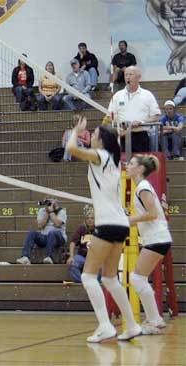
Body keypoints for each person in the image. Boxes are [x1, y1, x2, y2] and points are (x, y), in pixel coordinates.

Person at [67, 119, 141, 342]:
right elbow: (113, 138)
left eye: (95, 134)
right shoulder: (113, 160)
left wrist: (76, 131)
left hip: (108, 223)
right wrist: (118, 129)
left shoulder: (101, 156)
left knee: (88, 276)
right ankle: (132, 326)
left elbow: (71, 149)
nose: (92, 135)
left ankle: (105, 325)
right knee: (109, 278)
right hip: (120, 224)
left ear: (101, 141)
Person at [126, 155, 172, 334]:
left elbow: (152, 213)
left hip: (156, 238)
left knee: (137, 278)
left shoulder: (143, 187)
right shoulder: (142, 187)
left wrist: (130, 219)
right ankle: (155, 319)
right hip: (157, 238)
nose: (127, 166)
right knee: (139, 278)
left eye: (131, 164)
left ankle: (155, 319)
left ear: (140, 169)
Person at [108, 66, 161, 153]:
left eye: (131, 74)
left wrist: (141, 122)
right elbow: (110, 116)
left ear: (139, 77)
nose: (128, 77)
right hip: (123, 135)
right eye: (126, 75)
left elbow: (156, 116)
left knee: (141, 164)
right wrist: (119, 124)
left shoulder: (147, 95)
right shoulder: (117, 95)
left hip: (141, 135)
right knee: (124, 165)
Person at [16, 198, 67, 265]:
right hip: (45, 237)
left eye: (50, 201)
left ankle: (49, 257)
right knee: (32, 233)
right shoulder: (42, 211)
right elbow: (40, 226)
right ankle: (25, 257)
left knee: (52, 233)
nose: (48, 204)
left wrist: (51, 212)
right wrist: (47, 213)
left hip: (58, 238)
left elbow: (58, 224)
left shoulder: (61, 211)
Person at [66, 206, 95, 283]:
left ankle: (96, 284)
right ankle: (83, 282)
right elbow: (72, 243)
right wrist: (71, 256)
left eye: (92, 218)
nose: (90, 220)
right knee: (73, 263)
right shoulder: (82, 228)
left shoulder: (100, 229)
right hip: (82, 256)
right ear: (85, 220)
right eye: (88, 218)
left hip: (96, 258)